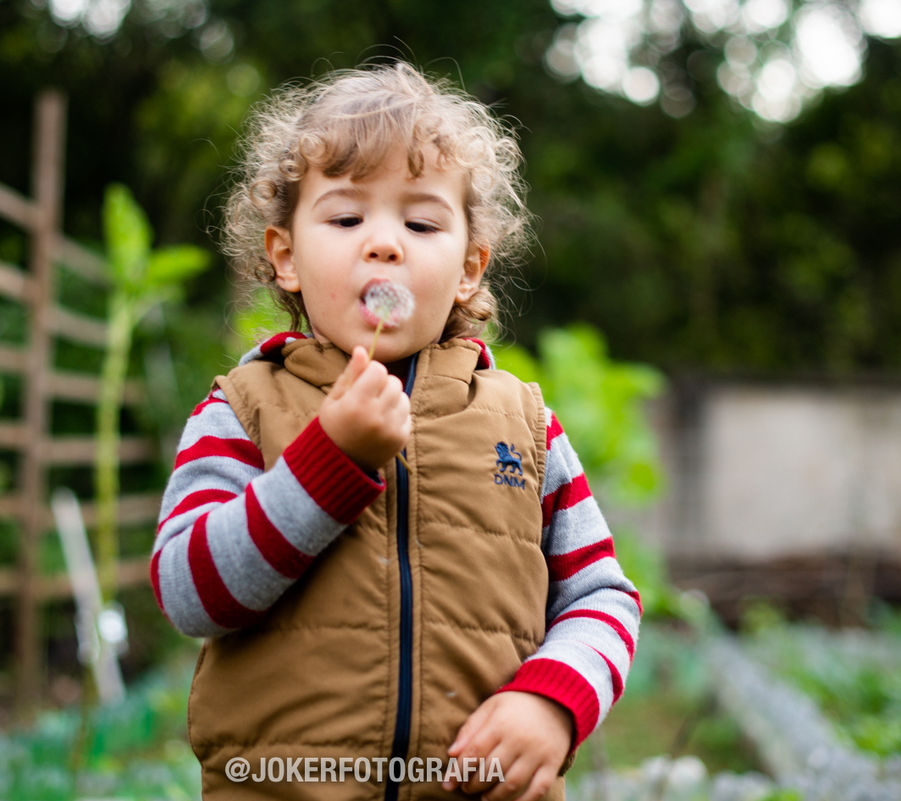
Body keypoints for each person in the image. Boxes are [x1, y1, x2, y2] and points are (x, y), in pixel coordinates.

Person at [150, 62, 640, 801]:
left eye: (421, 223)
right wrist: (326, 462)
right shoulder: (242, 409)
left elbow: (601, 595)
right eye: (347, 219)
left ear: (470, 268)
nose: (384, 244)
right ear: (285, 256)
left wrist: (553, 700)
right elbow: (190, 593)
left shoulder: (527, 427)